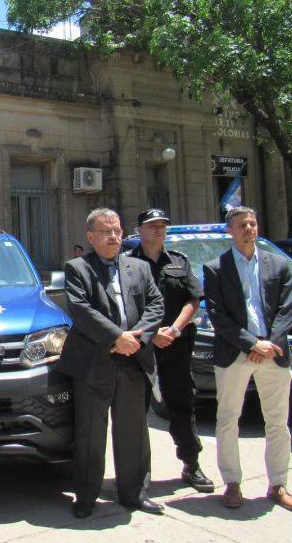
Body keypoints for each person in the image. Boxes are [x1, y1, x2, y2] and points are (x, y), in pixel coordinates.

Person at [59, 208, 165, 519]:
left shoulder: (139, 267)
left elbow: (156, 304)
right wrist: (116, 337)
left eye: (117, 230)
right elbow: (79, 308)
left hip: (133, 359)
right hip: (94, 362)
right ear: (91, 237)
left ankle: (134, 493)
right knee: (91, 433)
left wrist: (137, 339)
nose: (114, 236)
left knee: (133, 432)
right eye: (106, 231)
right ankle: (87, 496)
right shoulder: (78, 268)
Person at [203, 206, 292, 512]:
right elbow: (218, 314)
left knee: (277, 422)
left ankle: (278, 484)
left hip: (274, 352)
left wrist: (269, 344)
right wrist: (251, 344)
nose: (249, 228)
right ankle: (232, 483)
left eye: (253, 223)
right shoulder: (215, 268)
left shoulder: (278, 264)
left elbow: (287, 309)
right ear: (229, 231)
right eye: (242, 224)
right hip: (235, 352)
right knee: (228, 419)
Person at [126, 209, 214, 492]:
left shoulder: (179, 261)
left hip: (176, 343)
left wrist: (174, 330)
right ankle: (137, 473)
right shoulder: (126, 264)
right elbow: (125, 308)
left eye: (162, 226)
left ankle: (191, 463)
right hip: (140, 347)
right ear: (140, 230)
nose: (158, 231)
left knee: (181, 402)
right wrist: (151, 335)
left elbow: (193, 298)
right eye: (152, 226)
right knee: (136, 407)